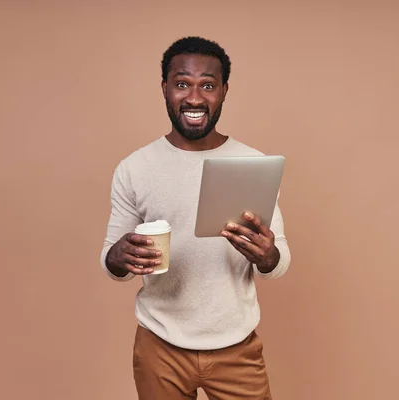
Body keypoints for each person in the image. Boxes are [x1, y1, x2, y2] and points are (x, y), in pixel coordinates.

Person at [100, 36, 291, 400]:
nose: (194, 98)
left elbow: (279, 258)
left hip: (236, 346)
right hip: (160, 345)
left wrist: (268, 256)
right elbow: (111, 260)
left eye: (207, 85)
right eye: (182, 83)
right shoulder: (135, 168)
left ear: (223, 91)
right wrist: (118, 255)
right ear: (164, 88)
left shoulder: (253, 164)